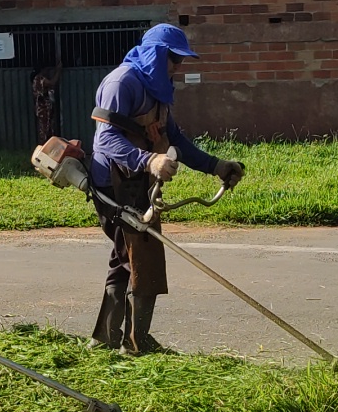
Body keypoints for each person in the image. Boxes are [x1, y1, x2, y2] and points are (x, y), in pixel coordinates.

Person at [88, 24, 245, 355]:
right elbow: (105, 140)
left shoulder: (157, 88)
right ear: (155, 55)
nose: (177, 67)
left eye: (181, 61)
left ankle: (106, 339)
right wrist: (149, 160)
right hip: (112, 184)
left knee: (127, 257)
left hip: (137, 182)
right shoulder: (122, 83)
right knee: (139, 257)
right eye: (174, 59)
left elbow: (174, 139)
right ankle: (135, 344)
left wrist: (215, 165)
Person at [32, 58, 63, 145]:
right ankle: (44, 148)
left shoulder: (37, 78)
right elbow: (52, 83)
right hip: (43, 109)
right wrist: (58, 71)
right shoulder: (39, 78)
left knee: (48, 129)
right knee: (45, 130)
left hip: (44, 109)